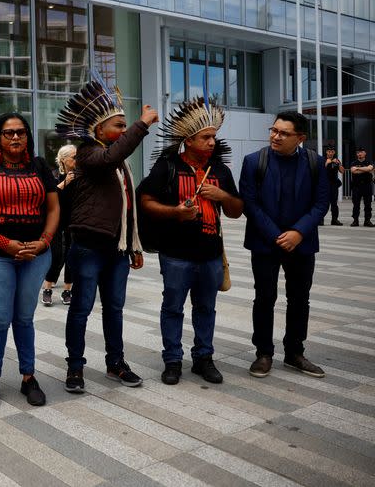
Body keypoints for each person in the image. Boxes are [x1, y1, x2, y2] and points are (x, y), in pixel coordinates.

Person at [55, 76, 158, 393]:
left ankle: (116, 363)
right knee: (81, 309)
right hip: (88, 247)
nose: (124, 131)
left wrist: (133, 247)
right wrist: (141, 124)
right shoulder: (89, 154)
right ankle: (75, 368)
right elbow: (112, 155)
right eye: (118, 126)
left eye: (126, 126)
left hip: (117, 250)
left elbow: (127, 207)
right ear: (99, 131)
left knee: (114, 309)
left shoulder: (119, 164)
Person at [138, 97, 243, 385]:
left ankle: (203, 358)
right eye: (206, 137)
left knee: (206, 307)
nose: (212, 142)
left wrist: (222, 197)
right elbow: (144, 200)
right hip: (175, 254)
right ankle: (172, 360)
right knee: (172, 307)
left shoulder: (221, 170)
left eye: (213, 137)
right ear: (188, 140)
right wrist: (175, 212)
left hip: (210, 253)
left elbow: (235, 211)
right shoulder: (168, 165)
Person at [0, 112, 59, 409]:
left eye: (20, 131)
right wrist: (4, 243)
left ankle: (28, 377)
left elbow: (55, 208)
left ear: (28, 135)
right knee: (0, 318)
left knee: (24, 318)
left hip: (36, 256)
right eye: (8, 133)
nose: (15, 137)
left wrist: (44, 241)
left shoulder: (40, 166)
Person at [239, 111, 329, 379]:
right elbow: (250, 203)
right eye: (273, 130)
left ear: (300, 138)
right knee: (265, 297)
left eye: (283, 133)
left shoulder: (315, 163)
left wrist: (298, 233)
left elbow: (321, 203)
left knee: (300, 299)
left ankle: (294, 352)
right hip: (265, 244)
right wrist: (278, 235)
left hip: (301, 244)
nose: (275, 136)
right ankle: (263, 353)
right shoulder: (255, 161)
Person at [41, 144, 76, 307]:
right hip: (55, 221)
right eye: (74, 157)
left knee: (71, 256)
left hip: (74, 221)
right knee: (55, 255)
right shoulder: (54, 176)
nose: (77, 160)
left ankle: (67, 290)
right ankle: (47, 289)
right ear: (63, 160)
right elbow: (49, 197)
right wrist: (65, 183)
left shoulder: (79, 175)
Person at [349, 146, 374, 227]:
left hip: (367, 186)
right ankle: (355, 220)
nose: (359, 154)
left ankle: (367, 220)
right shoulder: (353, 163)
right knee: (356, 204)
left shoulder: (369, 162)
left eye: (361, 152)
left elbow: (370, 168)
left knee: (368, 204)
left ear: (365, 153)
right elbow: (353, 171)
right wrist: (365, 169)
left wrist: (359, 169)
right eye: (358, 152)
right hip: (356, 186)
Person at [324, 146, 344, 226]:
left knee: (334, 203)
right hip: (325, 185)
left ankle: (334, 220)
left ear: (334, 152)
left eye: (332, 151)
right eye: (329, 151)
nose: (330, 153)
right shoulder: (323, 160)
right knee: (324, 203)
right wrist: (327, 163)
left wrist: (338, 164)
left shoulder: (337, 160)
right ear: (326, 152)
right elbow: (321, 170)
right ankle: (320, 220)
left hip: (334, 185)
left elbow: (342, 171)